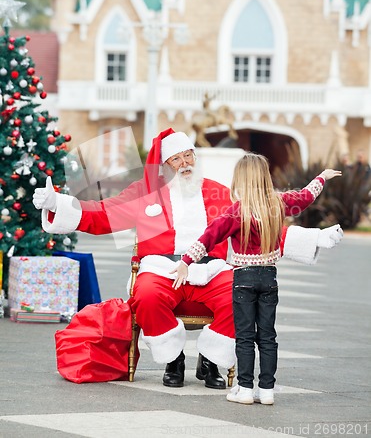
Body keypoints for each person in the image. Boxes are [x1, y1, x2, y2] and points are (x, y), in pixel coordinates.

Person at [33, 129, 343, 390]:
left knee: (241, 295)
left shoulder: (218, 193)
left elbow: (257, 222)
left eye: (189, 156)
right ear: (165, 164)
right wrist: (57, 203)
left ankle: (211, 361)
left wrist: (314, 238)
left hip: (210, 269)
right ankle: (173, 358)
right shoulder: (145, 193)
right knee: (147, 295)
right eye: (176, 158)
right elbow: (103, 214)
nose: (184, 164)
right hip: (161, 268)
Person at [172, 153, 342, 404]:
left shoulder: (235, 212)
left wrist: (185, 262)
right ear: (264, 177)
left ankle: (244, 389)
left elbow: (210, 237)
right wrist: (322, 177)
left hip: (243, 279)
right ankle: (267, 390)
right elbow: (304, 197)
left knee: (245, 336)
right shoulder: (278, 203)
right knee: (267, 335)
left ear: (240, 178)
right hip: (269, 278)